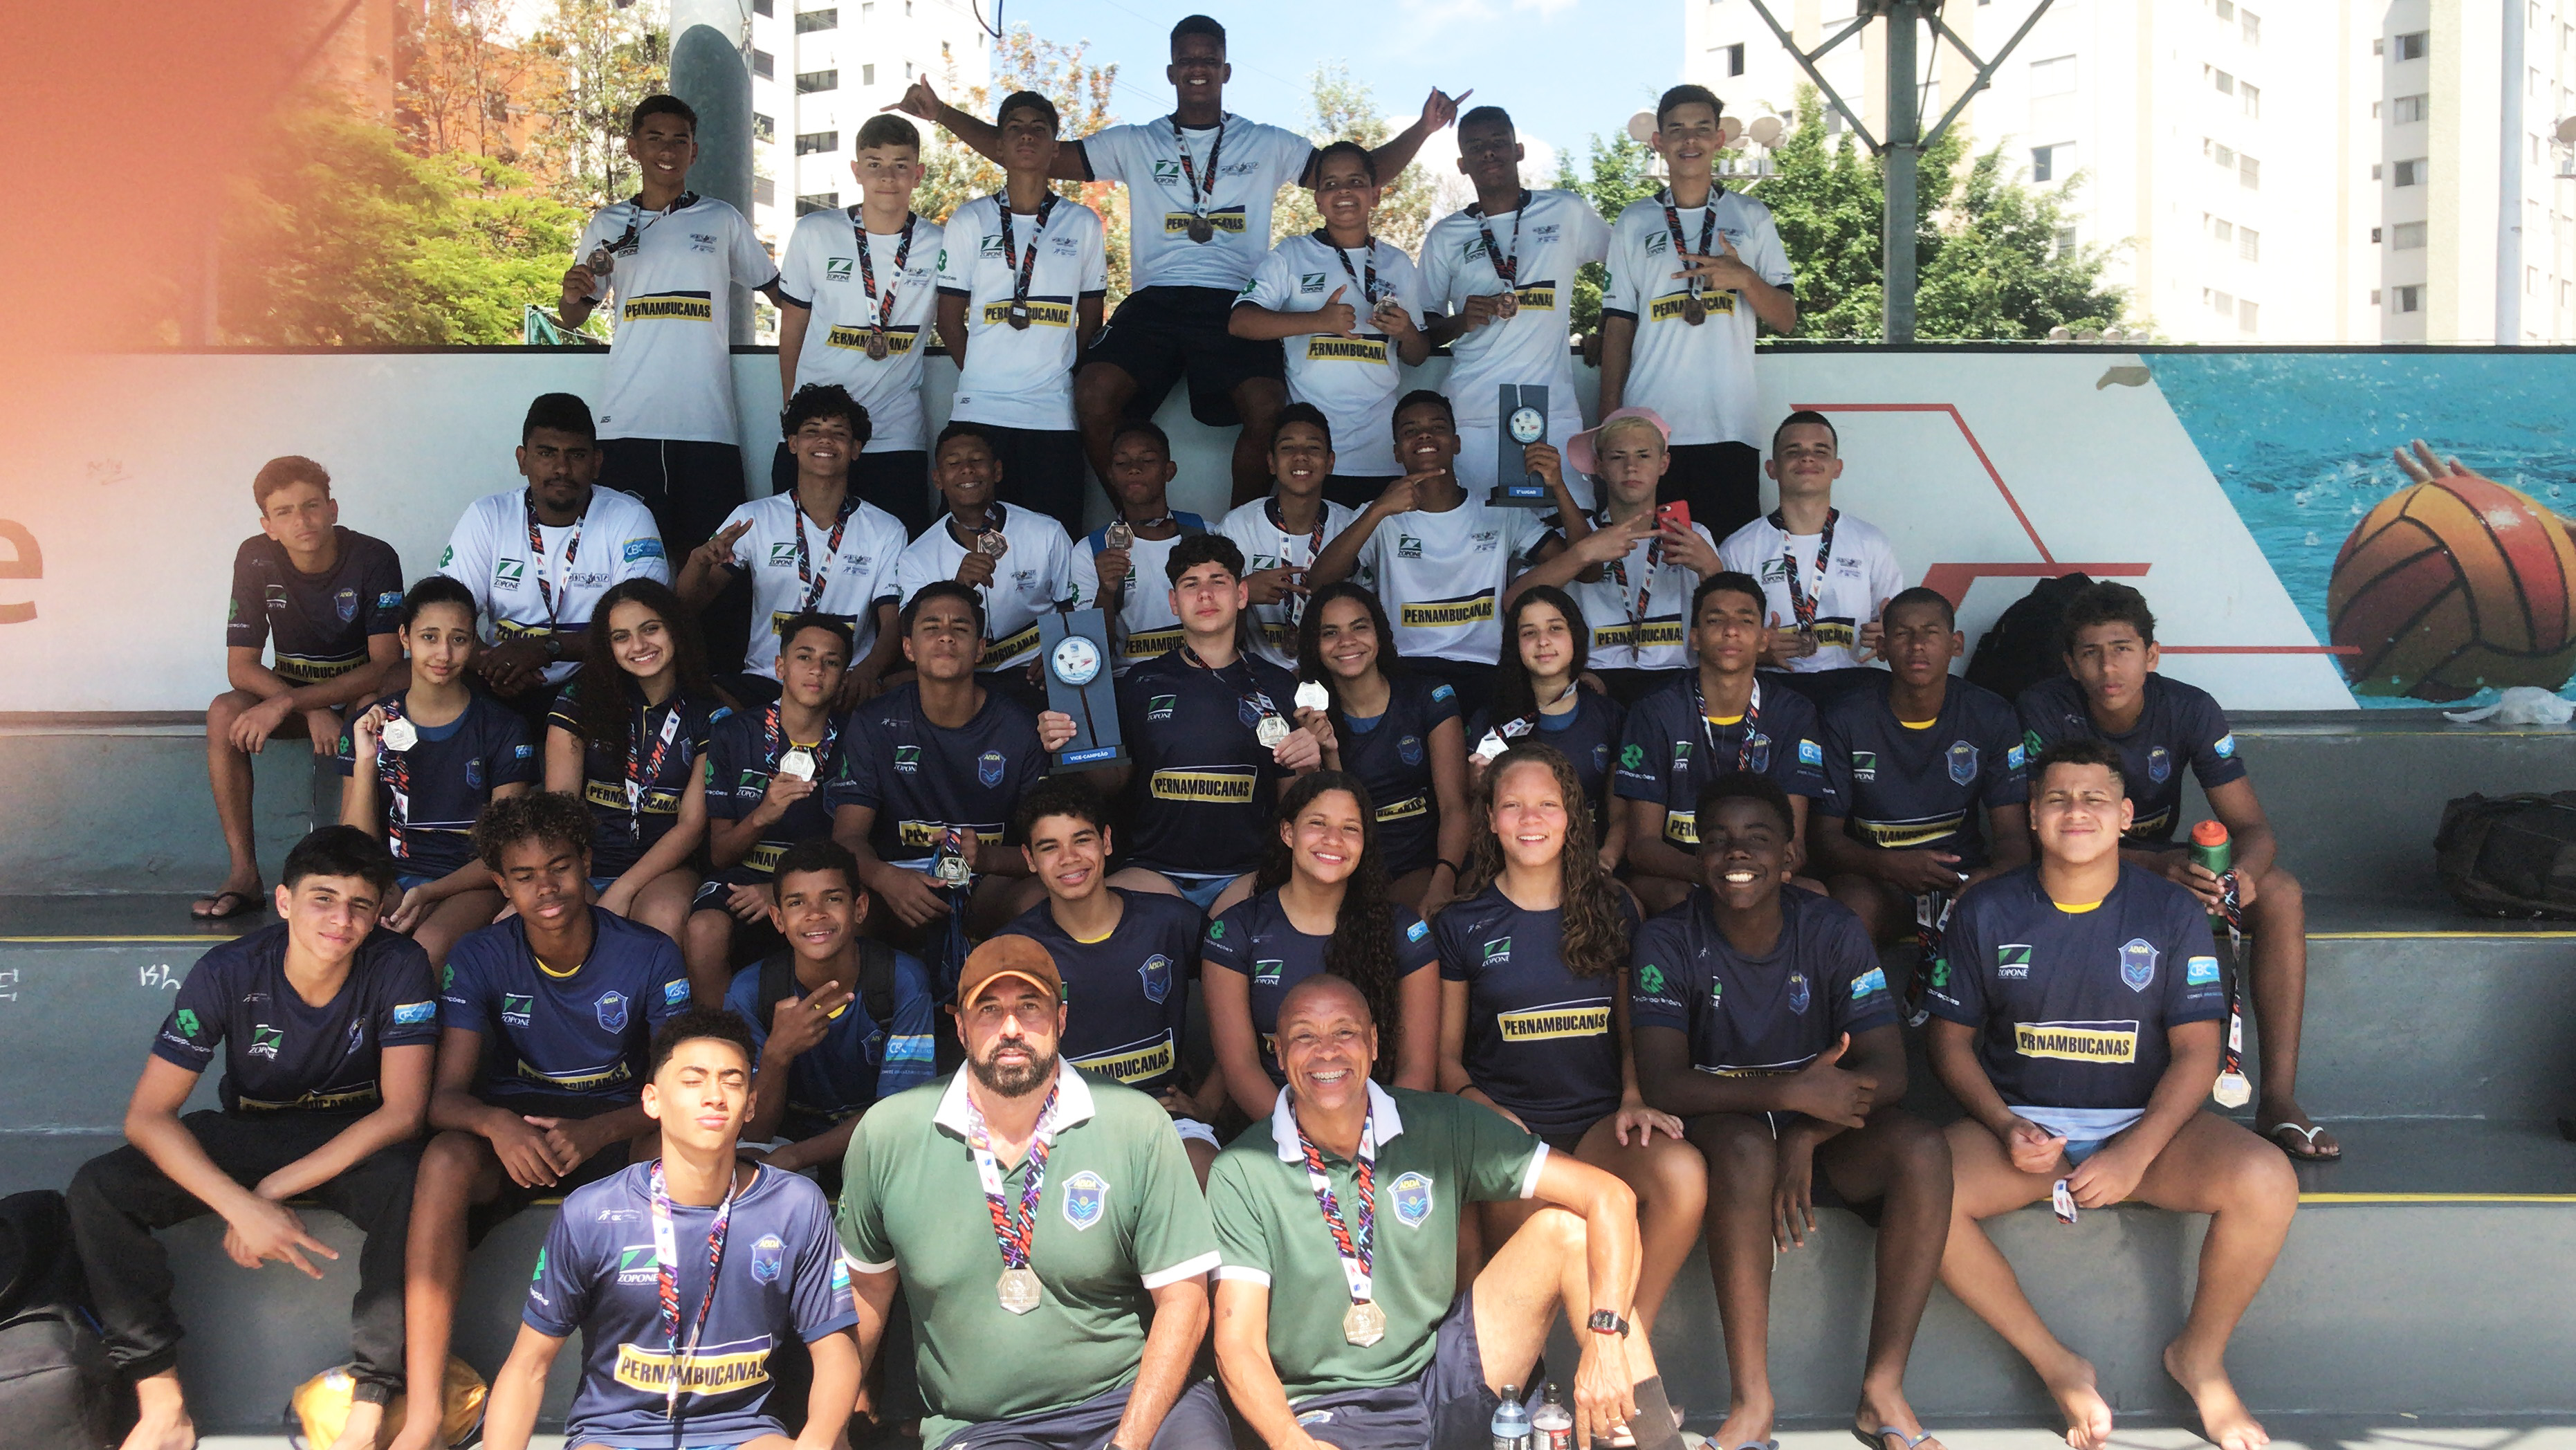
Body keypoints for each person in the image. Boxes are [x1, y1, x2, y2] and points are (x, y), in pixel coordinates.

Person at [887, 14, 1459, 502]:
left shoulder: (1266, 143)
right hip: (1156, 301)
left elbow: (1361, 174)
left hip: (1233, 302)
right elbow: (1032, 154)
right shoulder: (1137, 141)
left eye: (1209, 59)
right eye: (1187, 59)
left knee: (1269, 405)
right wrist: (943, 115)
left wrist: (1424, 129)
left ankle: (1241, 528)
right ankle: (1131, 523)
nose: (1198, 68)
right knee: (1090, 394)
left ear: (1226, 70)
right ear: (1170, 71)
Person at [1926, 739, 2297, 1450]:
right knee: (1918, 1191)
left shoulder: (2170, 909)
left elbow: (2195, 1049)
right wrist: (2004, 1124)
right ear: (2032, 815)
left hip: (2145, 1128)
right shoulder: (1987, 909)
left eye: (2094, 797)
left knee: (2266, 1179)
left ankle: (2201, 1358)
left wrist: (2133, 1153)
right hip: (2024, 1132)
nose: (2076, 811)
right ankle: (2057, 1364)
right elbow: (1947, 1044)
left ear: (2125, 815)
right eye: (2057, 797)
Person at [1206, 973, 1689, 1450]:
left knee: (1565, 1232)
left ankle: (1660, 1443)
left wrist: (1606, 1340)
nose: (1326, 1051)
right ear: (1278, 1053)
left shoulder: (1440, 1122)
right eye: (1304, 1036)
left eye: (1345, 1032)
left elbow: (1611, 1197)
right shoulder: (1244, 1170)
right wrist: (1291, 1443)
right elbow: (1238, 1343)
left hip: (1441, 1377)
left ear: (1374, 1043)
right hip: (1333, 1413)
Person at [69, 826, 435, 1450]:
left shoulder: (399, 965)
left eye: (360, 905)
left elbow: (402, 1113)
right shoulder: (229, 969)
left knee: (415, 1183)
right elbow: (149, 1115)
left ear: (379, 914)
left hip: (350, 1138)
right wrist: (238, 1204)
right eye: (323, 898)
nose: (340, 920)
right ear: (286, 901)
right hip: (249, 1129)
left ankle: (373, 1398)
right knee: (100, 1188)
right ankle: (161, 1400)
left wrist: (272, 1190)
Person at [1630, 772, 1955, 1450]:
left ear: (1790, 856)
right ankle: (1753, 1403)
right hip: (1723, 1128)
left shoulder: (1831, 927)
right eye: (1716, 840)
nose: (1735, 853)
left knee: (1922, 1147)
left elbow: (1888, 1069)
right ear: (1697, 857)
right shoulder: (1667, 937)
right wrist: (1787, 1094)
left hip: (1822, 1130)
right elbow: (1664, 1083)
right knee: (1748, 1146)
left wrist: (1807, 1131)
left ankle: (1882, 1390)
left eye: (1757, 839)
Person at [837, 937, 1231, 1450]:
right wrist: (833, 1425)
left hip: (1137, 1401)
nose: (1011, 1029)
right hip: (986, 1425)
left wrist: (1126, 1444)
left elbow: (1186, 1302)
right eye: (989, 1009)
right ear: (959, 1026)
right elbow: (865, 1297)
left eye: (1030, 1007)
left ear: (1061, 1019)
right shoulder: (888, 1133)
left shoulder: (1136, 1124)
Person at [386, 791, 691, 1450]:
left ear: (586, 861)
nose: (545, 888)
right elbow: (443, 1098)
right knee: (442, 1159)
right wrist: (500, 1126)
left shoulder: (650, 953)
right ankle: (422, 1413)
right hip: (518, 1133)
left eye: (559, 866)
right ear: (500, 883)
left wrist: (599, 1131)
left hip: (613, 1125)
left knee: (664, 1153)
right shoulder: (480, 955)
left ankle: (632, 1407)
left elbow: (678, 1088)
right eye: (523, 876)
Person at [2016, 582, 2330, 1161]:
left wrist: (2241, 875)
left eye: (2123, 648)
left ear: (2152, 655)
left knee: (2281, 892)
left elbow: (2254, 829)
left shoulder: (2188, 707)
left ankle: (2280, 1099)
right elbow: (2045, 839)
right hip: (2087, 867)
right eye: (2090, 652)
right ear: (2070, 663)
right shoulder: (2044, 706)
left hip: (2162, 864)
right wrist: (2162, 866)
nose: (2108, 666)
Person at [478, 1009, 862, 1450]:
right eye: (693, 1081)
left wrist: (812, 1444)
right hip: (614, 1435)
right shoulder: (591, 1211)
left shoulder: (795, 1204)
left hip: (742, 1432)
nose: (715, 1096)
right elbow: (529, 1365)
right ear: (652, 1101)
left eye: (732, 1081)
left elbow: (835, 1352)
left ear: (751, 1104)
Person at [1435, 744, 1704, 1339]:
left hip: (1598, 1127)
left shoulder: (1614, 909)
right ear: (1489, 820)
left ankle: (1632, 1341)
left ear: (1574, 817)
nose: (1530, 820)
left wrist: (1634, 1095)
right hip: (1513, 1134)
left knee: (1683, 1175)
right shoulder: (1462, 924)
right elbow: (1445, 1057)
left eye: (1547, 805)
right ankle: (1612, 1384)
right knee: (1577, 1229)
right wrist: (1480, 1106)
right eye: (1512, 806)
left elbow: (1634, 1027)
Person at [561, 93, 785, 674]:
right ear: (633, 146)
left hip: (707, 427)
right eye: (655, 138)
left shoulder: (721, 219)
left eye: (679, 139)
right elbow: (575, 314)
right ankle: (636, 700)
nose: (667, 150)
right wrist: (570, 293)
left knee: (717, 569)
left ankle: (712, 695)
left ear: (695, 150)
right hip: (628, 426)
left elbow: (783, 295)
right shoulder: (608, 224)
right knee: (635, 574)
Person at [1038, 535, 1323, 915]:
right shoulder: (1140, 683)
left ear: (1241, 594)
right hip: (1155, 871)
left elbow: (1292, 802)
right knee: (1084, 922)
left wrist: (1309, 767)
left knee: (1251, 942)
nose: (1205, 594)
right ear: (1174, 603)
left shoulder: (1279, 686)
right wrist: (1071, 745)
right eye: (1191, 584)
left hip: (1246, 873)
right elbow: (1113, 784)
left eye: (1218, 581)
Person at [196, 455, 405, 922]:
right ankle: (244, 876)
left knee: (375, 707)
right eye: (284, 512)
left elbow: (385, 664)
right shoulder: (254, 554)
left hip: (355, 690)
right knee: (223, 711)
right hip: (292, 688)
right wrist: (307, 707)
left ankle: (368, 876)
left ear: (333, 508)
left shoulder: (374, 556)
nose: (302, 520)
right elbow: (241, 666)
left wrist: (295, 701)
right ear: (267, 525)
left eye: (311, 506)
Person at [1307, 390, 1586, 718]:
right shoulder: (1379, 516)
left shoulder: (1499, 512)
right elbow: (1319, 581)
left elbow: (1585, 569)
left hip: (1486, 670)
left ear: (1456, 443)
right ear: (1397, 452)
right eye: (1410, 431)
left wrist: (1559, 487)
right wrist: (1379, 509)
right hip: (1406, 671)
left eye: (1437, 427)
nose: (1424, 435)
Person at [1597, 85, 1797, 542]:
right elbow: (1618, 328)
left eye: (1702, 129)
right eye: (1677, 130)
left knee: (1726, 568)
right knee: (1655, 566)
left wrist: (1745, 279)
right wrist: (1606, 428)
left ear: (1720, 139)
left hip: (1730, 428)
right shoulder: (1633, 221)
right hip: (1650, 434)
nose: (1691, 140)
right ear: (1659, 142)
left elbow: (1785, 317)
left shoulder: (1752, 215)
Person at [997, 780, 1224, 1179]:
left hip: (1163, 1114)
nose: (1069, 858)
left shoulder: (1171, 922)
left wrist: (1208, 1101)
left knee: (1202, 1168)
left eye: (1081, 840)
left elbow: (1248, 1008)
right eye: (1049, 847)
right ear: (1029, 859)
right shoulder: (1015, 949)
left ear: (1106, 841)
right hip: (1065, 1125)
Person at [1198, 771, 1440, 1123]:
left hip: (1381, 1131)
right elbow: (1241, 1069)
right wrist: (1300, 1145)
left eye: (1350, 828)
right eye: (1318, 823)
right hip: (1274, 1130)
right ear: (1287, 832)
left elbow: (1417, 1069)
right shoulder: (1235, 930)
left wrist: (1377, 1139)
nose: (1333, 839)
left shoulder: (1402, 930)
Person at [829, 582, 1051, 962]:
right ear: (908, 647)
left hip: (987, 882)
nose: (946, 635)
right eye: (931, 627)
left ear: (980, 647)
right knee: (846, 907)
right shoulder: (873, 721)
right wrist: (886, 879)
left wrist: (987, 861)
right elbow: (847, 838)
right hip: (898, 880)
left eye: (961, 628)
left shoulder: (1020, 727)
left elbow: (1048, 848)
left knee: (1042, 898)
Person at [930, 91, 1110, 538]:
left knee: (1056, 551)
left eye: (1039, 129)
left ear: (1054, 148)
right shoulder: (969, 220)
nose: (1026, 135)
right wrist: (981, 374)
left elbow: (1091, 319)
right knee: (965, 551)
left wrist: (1060, 374)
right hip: (979, 413)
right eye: (1014, 128)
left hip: (1052, 419)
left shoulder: (1083, 224)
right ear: (998, 146)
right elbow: (947, 319)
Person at [1814, 587, 2030, 950]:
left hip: (1959, 879)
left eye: (1930, 633)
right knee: (1851, 906)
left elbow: (2013, 838)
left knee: (2004, 904)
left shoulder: (1991, 714)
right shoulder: (1846, 717)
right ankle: (1862, 1007)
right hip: (1877, 880)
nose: (1917, 645)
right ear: (1881, 648)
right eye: (1902, 634)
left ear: (1956, 644)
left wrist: (1989, 877)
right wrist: (1889, 866)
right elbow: (1824, 840)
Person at [1422, 106, 1614, 512]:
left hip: (1553, 411)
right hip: (1473, 415)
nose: (1489, 153)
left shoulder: (1565, 210)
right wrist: (1461, 321)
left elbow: (1626, 264)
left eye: (1498, 143)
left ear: (1519, 150)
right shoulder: (1446, 235)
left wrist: (1608, 326)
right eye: (1477, 147)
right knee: (1482, 540)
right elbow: (1425, 331)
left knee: (1570, 534)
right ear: (1462, 164)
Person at [338, 577, 537, 967]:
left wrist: (430, 892)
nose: (444, 653)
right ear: (405, 637)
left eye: (459, 639)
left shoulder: (503, 728)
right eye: (429, 637)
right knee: (350, 937)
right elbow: (353, 845)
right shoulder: (369, 723)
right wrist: (365, 761)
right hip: (389, 877)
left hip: (471, 880)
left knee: (428, 946)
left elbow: (504, 849)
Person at [437, 392, 670, 723]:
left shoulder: (628, 516)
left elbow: (646, 628)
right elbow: (445, 616)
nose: (562, 468)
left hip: (595, 677)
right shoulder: (488, 515)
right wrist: (490, 664)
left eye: (576, 455)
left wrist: (546, 650)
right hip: (498, 675)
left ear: (597, 462)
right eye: (547, 453)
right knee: (401, 680)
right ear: (522, 460)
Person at [677, 383, 906, 708]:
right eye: (812, 430)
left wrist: (867, 673)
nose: (825, 440)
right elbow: (686, 607)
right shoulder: (753, 518)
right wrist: (698, 564)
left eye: (838, 433)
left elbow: (893, 623)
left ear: (856, 448)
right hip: (768, 680)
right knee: (699, 703)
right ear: (793, 444)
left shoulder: (886, 529)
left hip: (844, 683)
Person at [1229, 140, 1430, 508]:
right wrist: (1318, 320)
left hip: (1381, 453)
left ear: (1375, 194)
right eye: (1331, 184)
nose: (1344, 192)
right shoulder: (1292, 254)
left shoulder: (1398, 263)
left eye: (1355, 181)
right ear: (1318, 199)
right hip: (1313, 455)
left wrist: (1407, 333)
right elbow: (1241, 321)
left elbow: (1417, 356)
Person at [1615, 573, 1831, 914]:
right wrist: (1716, 873)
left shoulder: (1794, 713)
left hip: (1759, 872)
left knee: (1816, 896)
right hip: (1682, 871)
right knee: (1682, 900)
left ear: (1763, 639)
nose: (1731, 630)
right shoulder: (1655, 711)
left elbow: (1795, 845)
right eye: (1716, 620)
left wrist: (1747, 876)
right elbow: (1642, 847)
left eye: (1745, 620)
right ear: (1695, 638)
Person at [725, 839, 940, 1180]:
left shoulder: (900, 979)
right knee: (736, 1166)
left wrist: (797, 1156)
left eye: (833, 899)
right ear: (778, 919)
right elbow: (755, 1132)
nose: (816, 914)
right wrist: (778, 1054)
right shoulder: (751, 991)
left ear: (860, 908)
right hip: (782, 1144)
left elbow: (900, 1114)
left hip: (876, 1142)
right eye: (797, 903)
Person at [775, 111, 944, 534]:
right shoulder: (816, 231)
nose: (887, 177)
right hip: (821, 434)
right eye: (874, 164)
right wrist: (793, 418)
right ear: (856, 170)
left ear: (918, 173)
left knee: (897, 558)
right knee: (801, 551)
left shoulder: (941, 243)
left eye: (900, 165)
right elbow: (792, 329)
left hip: (896, 434)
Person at [544, 579, 728, 942]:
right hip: (585, 858)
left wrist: (623, 889)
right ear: (607, 646)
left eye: (651, 629)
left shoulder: (711, 714)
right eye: (621, 637)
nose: (639, 646)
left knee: (660, 920)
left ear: (675, 628)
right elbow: (559, 808)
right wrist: (577, 878)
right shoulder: (579, 700)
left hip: (666, 867)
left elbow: (691, 826)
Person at [686, 616, 856, 1002]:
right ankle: (723, 1045)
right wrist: (763, 814)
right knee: (704, 930)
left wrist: (781, 892)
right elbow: (719, 854)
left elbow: (855, 847)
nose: (817, 669)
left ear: (844, 678)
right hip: (744, 878)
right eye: (804, 657)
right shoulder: (733, 734)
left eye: (831, 662)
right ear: (780, 667)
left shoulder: (857, 738)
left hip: (820, 885)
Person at [1509, 407, 1720, 705]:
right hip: (1596, 681)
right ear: (1598, 466)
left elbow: (1730, 618)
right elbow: (1515, 602)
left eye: (1644, 455)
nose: (1631, 467)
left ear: (1664, 463)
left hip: (1676, 680)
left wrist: (1711, 568)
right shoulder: (1579, 535)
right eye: (1618, 457)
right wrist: (1581, 554)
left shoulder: (1692, 534)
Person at [1298, 582, 1469, 918]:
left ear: (1379, 634)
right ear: (1315, 646)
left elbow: (1455, 806)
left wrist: (1443, 881)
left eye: (1359, 627)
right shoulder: (1308, 716)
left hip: (1427, 863)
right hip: (1350, 867)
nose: (1347, 642)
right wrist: (1326, 753)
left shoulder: (1427, 696)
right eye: (1330, 633)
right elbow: (1333, 820)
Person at [1718, 410, 1906, 708]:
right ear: (1771, 468)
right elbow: (1716, 637)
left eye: (1820, 451)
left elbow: (1899, 627)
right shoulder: (1739, 548)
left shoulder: (1870, 542)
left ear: (1837, 467)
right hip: (1772, 687)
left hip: (1852, 686)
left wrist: (1889, 636)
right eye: (1794, 451)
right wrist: (1760, 652)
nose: (1807, 459)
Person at [894, 421, 1078, 712]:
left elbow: (1074, 607)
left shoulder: (1045, 532)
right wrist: (957, 590)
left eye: (977, 461)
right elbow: (910, 638)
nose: (967, 469)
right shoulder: (917, 556)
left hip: (1036, 670)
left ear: (997, 471)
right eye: (953, 463)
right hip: (962, 678)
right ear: (938, 479)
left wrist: (1059, 649)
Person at [1464, 587, 1628, 872]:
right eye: (1529, 633)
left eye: (1555, 629)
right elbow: (1472, 813)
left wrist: (1606, 861)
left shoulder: (1610, 715)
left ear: (1576, 636)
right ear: (1514, 644)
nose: (1543, 641)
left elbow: (1622, 815)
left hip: (1590, 864)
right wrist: (1478, 784)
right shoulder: (1489, 721)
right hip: (1510, 867)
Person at [1219, 403, 1365, 671]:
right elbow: (1214, 627)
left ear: (1330, 462)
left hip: (1337, 671)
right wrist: (1243, 592)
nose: (1301, 456)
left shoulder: (1352, 525)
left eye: (1313, 447)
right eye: (1288, 448)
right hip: (1257, 675)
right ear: (1271, 463)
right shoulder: (1238, 526)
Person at [1071, 421, 1213, 674]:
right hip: (1132, 679)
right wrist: (1105, 591)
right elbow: (1088, 652)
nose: (1134, 470)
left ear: (1169, 471)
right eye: (1121, 463)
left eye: (1147, 460)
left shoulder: (1206, 534)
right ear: (1111, 475)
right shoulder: (1090, 551)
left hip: (1204, 672)